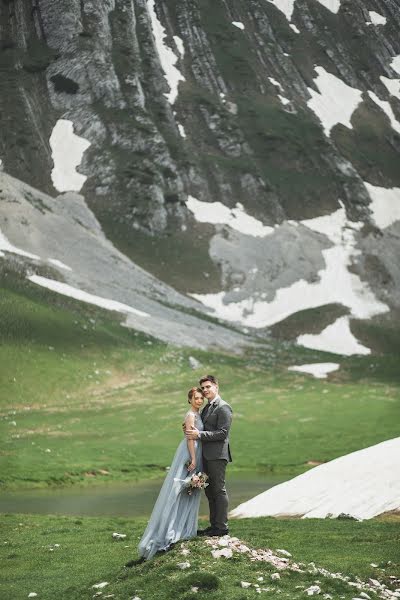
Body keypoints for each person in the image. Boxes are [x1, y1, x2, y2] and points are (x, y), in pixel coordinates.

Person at [138, 387, 204, 560]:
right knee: (181, 489)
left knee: (190, 490)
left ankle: (184, 529)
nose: (199, 400)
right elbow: (190, 438)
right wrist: (193, 459)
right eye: (196, 398)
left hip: (197, 451)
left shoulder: (198, 415)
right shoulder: (190, 415)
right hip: (191, 453)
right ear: (189, 400)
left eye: (200, 398)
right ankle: (171, 532)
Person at [185, 374, 233, 536]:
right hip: (205, 456)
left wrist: (199, 435)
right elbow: (200, 426)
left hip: (218, 456)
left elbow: (222, 433)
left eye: (208, 387)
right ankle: (214, 527)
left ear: (216, 387)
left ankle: (222, 528)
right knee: (209, 491)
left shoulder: (224, 407)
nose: (205, 390)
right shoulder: (206, 408)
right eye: (203, 388)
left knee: (219, 490)